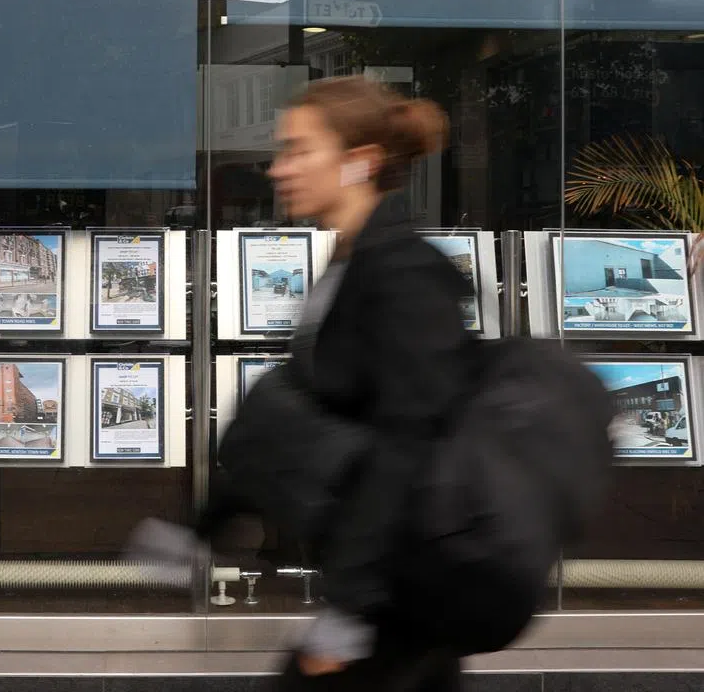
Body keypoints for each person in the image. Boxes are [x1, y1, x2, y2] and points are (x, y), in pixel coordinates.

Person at [129, 76, 476, 691]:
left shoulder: (406, 276)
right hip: (376, 597)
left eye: (298, 150)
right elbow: (291, 415)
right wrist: (202, 530)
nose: (277, 169)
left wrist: (349, 611)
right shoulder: (350, 263)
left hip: (395, 600)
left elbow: (410, 450)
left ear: (358, 163)